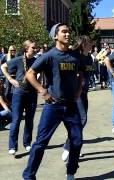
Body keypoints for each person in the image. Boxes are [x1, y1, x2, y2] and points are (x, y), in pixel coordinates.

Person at [22, 23, 84, 180]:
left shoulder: (75, 56)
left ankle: (71, 171)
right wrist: (42, 91)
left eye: (69, 31)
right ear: (56, 36)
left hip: (71, 106)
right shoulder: (49, 56)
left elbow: (81, 75)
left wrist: (77, 92)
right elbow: (30, 74)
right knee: (40, 143)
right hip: (53, 106)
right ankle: (29, 176)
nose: (68, 34)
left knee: (77, 141)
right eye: (64, 32)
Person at [1, 40, 38, 155]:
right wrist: (11, 80)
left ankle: (27, 144)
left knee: (29, 120)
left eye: (36, 48)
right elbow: (3, 66)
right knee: (16, 120)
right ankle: (12, 146)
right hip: (19, 93)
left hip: (32, 93)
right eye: (33, 48)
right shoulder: (18, 59)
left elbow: (41, 72)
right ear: (26, 48)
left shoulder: (36, 61)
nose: (35, 49)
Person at [61, 35, 93, 162]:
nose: (92, 44)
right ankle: (70, 145)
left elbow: (88, 73)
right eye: (90, 42)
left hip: (84, 93)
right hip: (75, 93)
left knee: (81, 121)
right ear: (83, 44)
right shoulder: (75, 56)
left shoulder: (89, 57)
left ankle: (74, 146)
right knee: (82, 119)